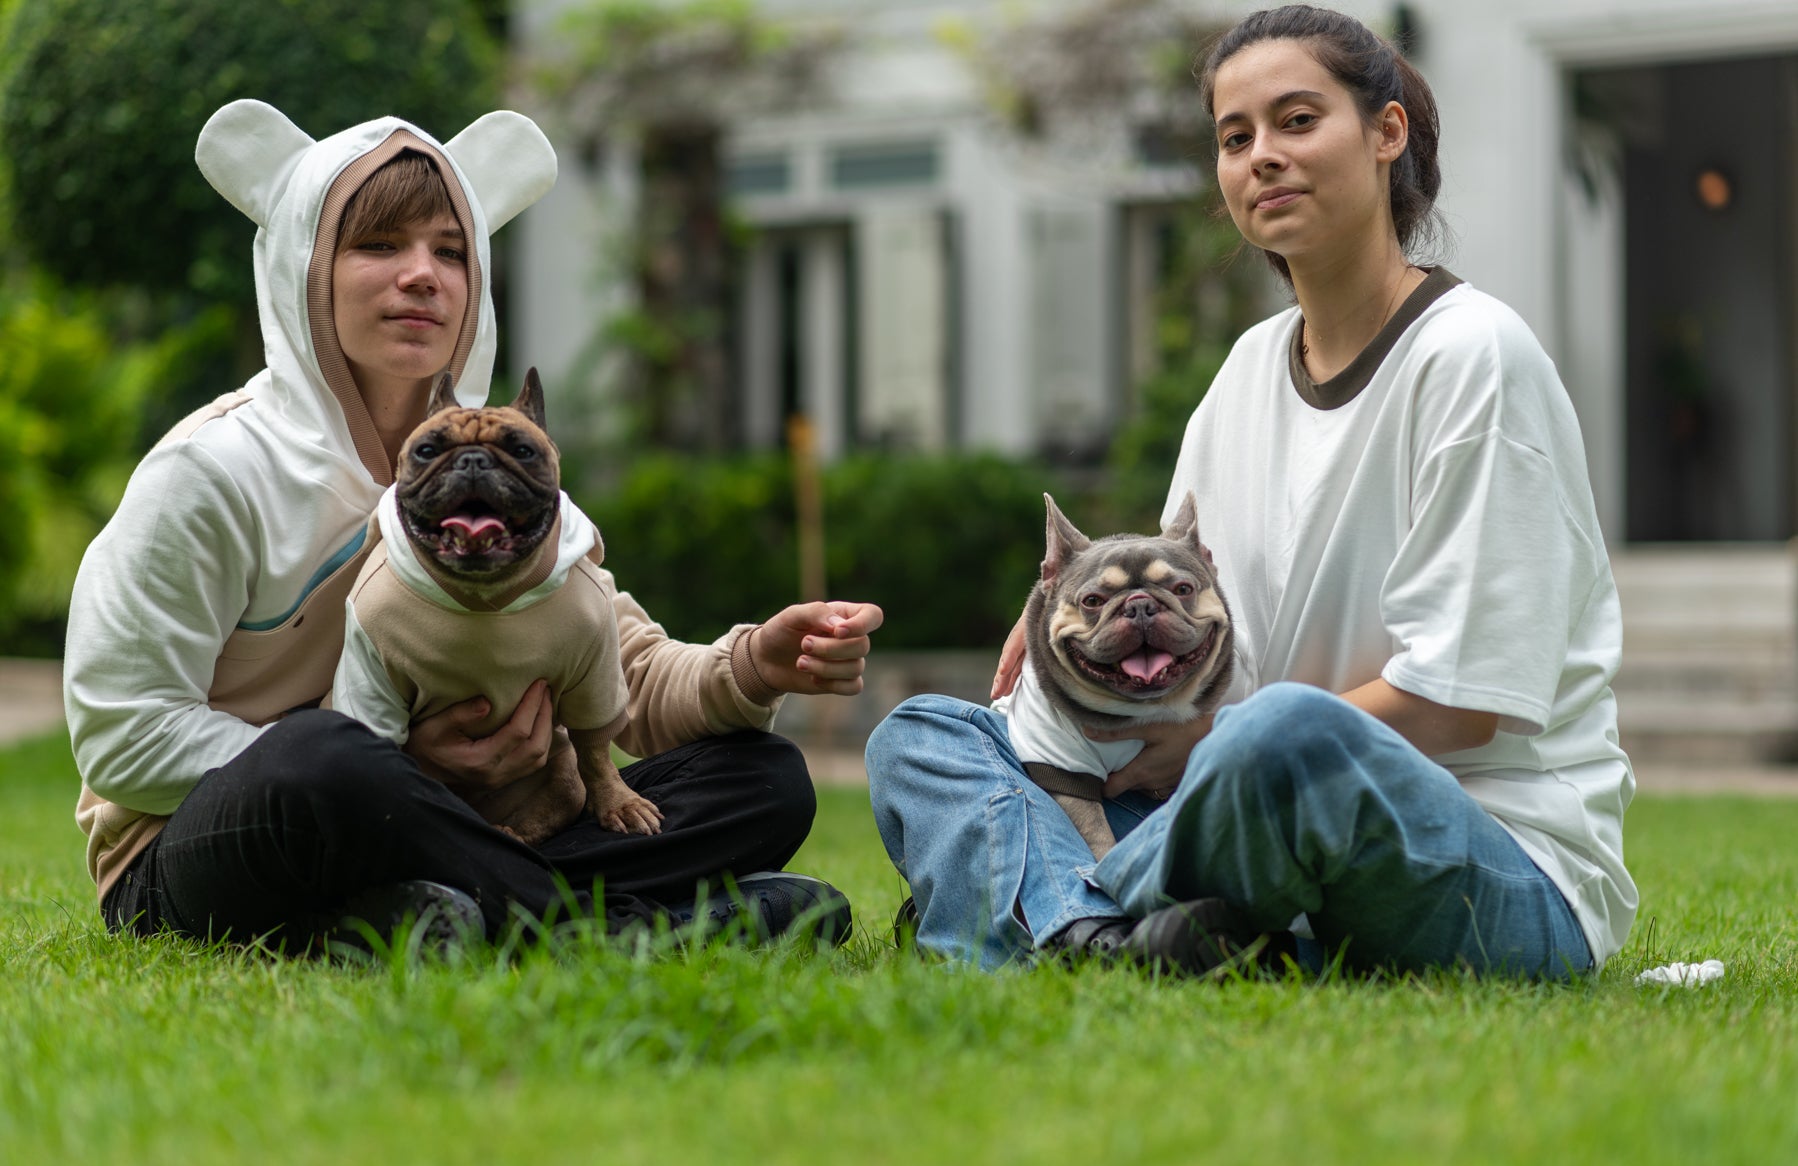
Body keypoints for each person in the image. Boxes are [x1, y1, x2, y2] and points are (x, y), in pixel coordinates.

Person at [866, 4, 1635, 980]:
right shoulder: (1245, 372)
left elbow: (1458, 707)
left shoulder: (1472, 359)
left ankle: (1021, 913)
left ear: (1385, 133)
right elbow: (1200, 629)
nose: (1262, 156)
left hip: (1491, 861)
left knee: (1284, 732)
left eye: (1298, 120)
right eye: (1236, 138)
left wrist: (1212, 739)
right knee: (928, 734)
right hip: (1245, 800)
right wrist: (1078, 629)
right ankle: (1101, 941)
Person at [65, 98, 882, 954]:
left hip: (477, 825)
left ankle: (439, 913)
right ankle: (606, 927)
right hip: (216, 845)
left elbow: (618, 671)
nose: (424, 275)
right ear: (301, 264)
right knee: (328, 759)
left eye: (451, 252)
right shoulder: (207, 475)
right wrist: (398, 769)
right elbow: (125, 735)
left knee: (763, 780)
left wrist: (757, 662)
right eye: (379, 245)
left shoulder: (514, 480)